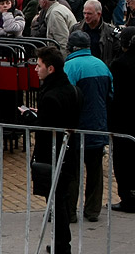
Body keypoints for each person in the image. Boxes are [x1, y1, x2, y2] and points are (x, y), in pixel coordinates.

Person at [25, 46, 80, 254]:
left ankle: (62, 246)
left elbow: (46, 128)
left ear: (51, 69)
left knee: (57, 204)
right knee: (61, 202)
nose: (35, 69)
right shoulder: (71, 89)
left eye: (39, 66)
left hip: (53, 157)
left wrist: (32, 118)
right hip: (68, 154)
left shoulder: (50, 96)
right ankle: (61, 244)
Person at [63, 31, 113, 222]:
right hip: (98, 126)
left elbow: (67, 98)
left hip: (77, 128)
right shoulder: (102, 66)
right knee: (95, 170)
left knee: (72, 170)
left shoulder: (69, 67)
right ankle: (93, 211)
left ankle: (69, 211)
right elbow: (110, 95)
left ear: (71, 47)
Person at [109, 27, 135, 212]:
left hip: (124, 120)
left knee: (123, 161)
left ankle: (128, 198)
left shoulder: (120, 64)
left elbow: (116, 96)